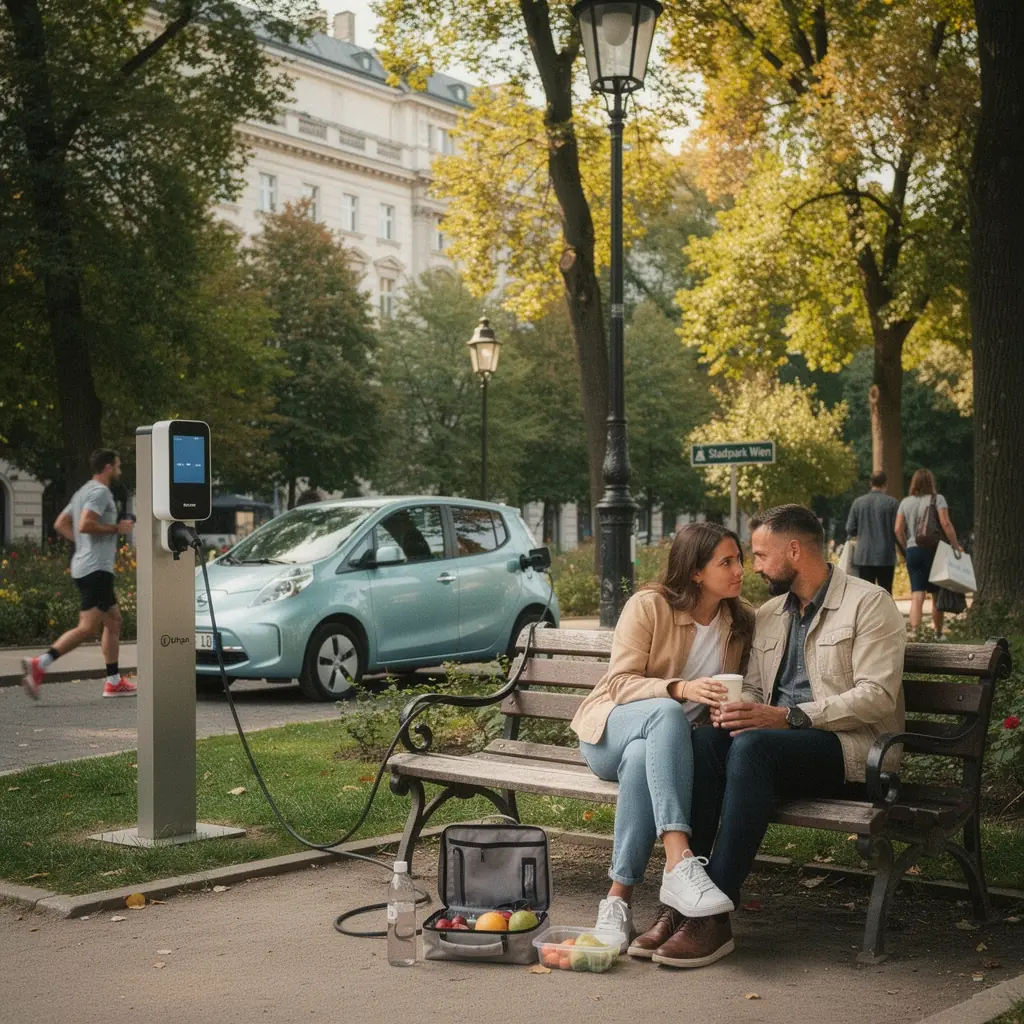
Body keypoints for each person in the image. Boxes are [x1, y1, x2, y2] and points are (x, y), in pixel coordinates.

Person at [647, 504, 905, 969]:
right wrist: (738, 708)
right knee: (706, 742)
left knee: (753, 747)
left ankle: (713, 915)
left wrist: (790, 717)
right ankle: (684, 900)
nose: (755, 567)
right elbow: (753, 686)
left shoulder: (868, 603)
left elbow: (877, 697)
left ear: (794, 550)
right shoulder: (769, 613)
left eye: (763, 555)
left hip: (851, 751)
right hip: (775, 746)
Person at [570, 523, 755, 954]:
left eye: (740, 560)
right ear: (695, 572)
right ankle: (678, 857)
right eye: (726, 562)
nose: (739, 570)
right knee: (665, 713)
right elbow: (619, 684)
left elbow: (747, 686)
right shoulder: (649, 605)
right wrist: (680, 688)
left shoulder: (740, 621)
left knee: (641, 759)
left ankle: (617, 903)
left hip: (661, 751)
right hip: (610, 731)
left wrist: (729, 707)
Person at [21, 449, 137, 700]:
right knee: (87, 628)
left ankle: (113, 681)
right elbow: (85, 524)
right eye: (117, 465)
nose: (119, 470)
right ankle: (40, 663)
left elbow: (60, 523)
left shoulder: (81, 492)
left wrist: (84, 546)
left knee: (114, 620)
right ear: (108, 467)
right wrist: (117, 528)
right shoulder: (100, 492)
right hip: (96, 570)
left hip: (87, 566)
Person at [895, 468, 962, 637]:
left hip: (913, 551)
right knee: (936, 594)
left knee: (917, 595)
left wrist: (906, 547)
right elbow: (945, 523)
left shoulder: (905, 502)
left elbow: (898, 529)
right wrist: (955, 546)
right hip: (933, 551)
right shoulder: (938, 499)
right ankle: (938, 633)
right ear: (931, 482)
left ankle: (916, 634)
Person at [845, 471, 899, 593]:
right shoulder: (892, 503)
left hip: (864, 556)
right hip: (886, 556)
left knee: (866, 594)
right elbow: (897, 529)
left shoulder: (858, 503)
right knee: (885, 593)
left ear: (870, 483)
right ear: (886, 484)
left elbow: (850, 529)